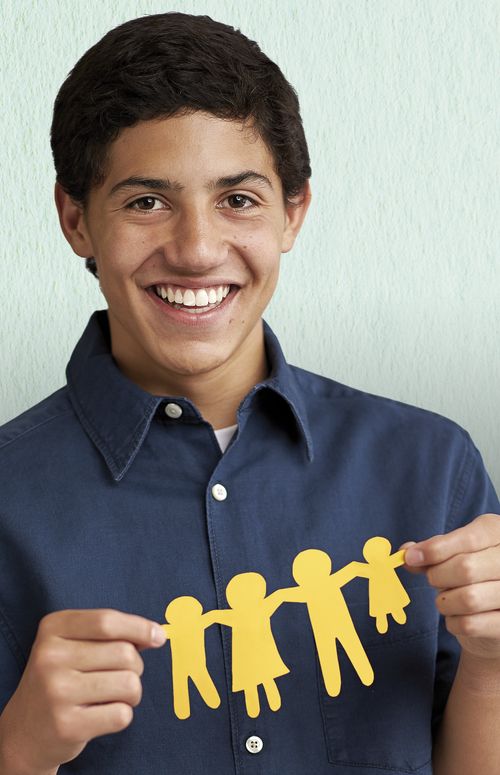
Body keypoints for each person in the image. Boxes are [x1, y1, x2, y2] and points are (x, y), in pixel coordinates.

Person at [0, 11, 498, 775]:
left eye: (238, 199)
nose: (197, 248)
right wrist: (18, 748)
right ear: (75, 219)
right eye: (145, 202)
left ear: (293, 212)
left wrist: (492, 665)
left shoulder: (432, 466)